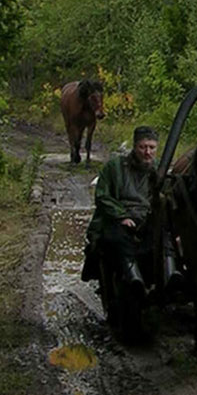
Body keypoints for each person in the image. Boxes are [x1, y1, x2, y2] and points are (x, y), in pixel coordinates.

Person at [81, 126, 161, 297]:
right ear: (135, 146)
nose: (147, 152)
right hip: (118, 219)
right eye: (143, 147)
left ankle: (159, 281)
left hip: (147, 218)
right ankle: (133, 278)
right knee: (116, 239)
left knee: (162, 238)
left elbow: (167, 196)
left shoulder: (160, 169)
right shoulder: (114, 167)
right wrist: (121, 215)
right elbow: (102, 196)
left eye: (152, 148)